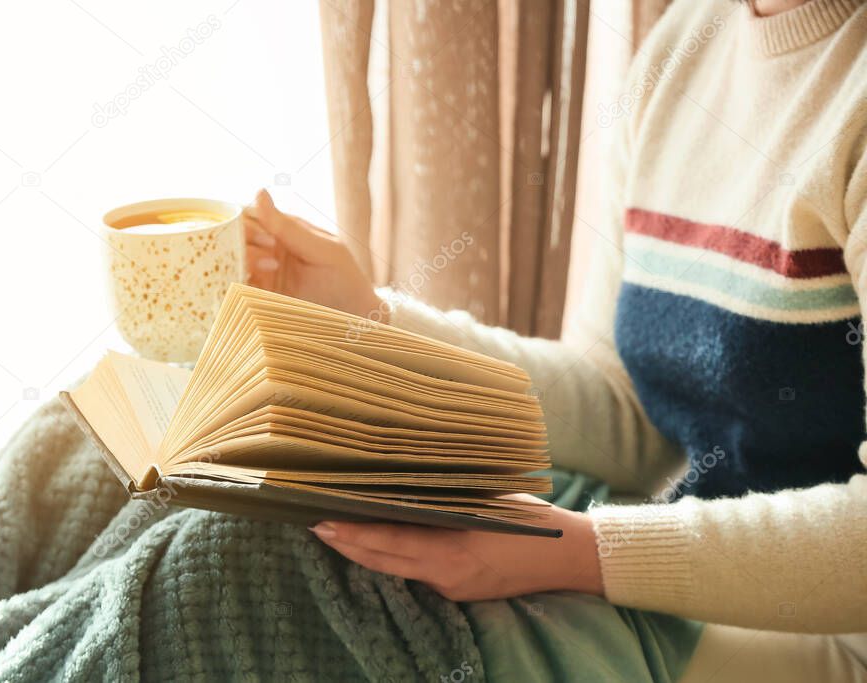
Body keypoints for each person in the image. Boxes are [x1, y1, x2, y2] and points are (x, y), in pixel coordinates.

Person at [243, 0, 867, 678]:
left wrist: (578, 552)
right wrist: (370, 322)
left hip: (832, 627)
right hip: (662, 529)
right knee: (248, 537)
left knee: (310, 599)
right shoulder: (684, 44)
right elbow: (623, 405)